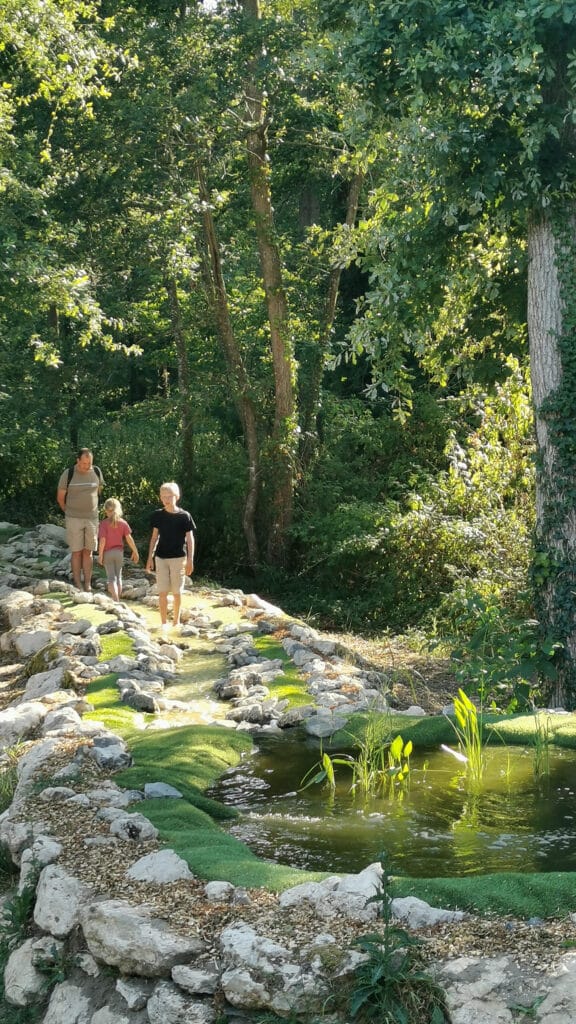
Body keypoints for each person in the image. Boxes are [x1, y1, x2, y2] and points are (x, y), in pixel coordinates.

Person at [145, 482, 195, 632]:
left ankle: (176, 621)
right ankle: (163, 622)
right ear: (160, 498)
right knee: (162, 591)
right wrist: (149, 557)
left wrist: (190, 560)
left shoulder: (185, 516)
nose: (167, 499)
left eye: (170, 496)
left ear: (177, 496)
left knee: (177, 591)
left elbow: (190, 538)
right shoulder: (158, 515)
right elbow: (154, 537)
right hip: (160, 557)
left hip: (179, 558)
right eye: (164, 496)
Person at [56, 448, 104, 592]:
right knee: (76, 552)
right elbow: (60, 497)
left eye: (89, 463)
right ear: (78, 460)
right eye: (84, 463)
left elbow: (99, 490)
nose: (87, 466)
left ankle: (88, 584)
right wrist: (68, 511)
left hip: (92, 518)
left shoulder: (96, 472)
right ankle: (77, 583)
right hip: (73, 518)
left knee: (88, 552)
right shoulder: (68, 474)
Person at [97, 498, 139, 602]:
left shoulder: (103, 523)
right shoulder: (123, 523)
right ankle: (118, 599)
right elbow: (129, 538)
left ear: (106, 510)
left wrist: (100, 555)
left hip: (108, 553)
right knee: (118, 577)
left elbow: (102, 540)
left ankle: (115, 600)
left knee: (111, 578)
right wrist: (135, 551)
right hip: (119, 553)